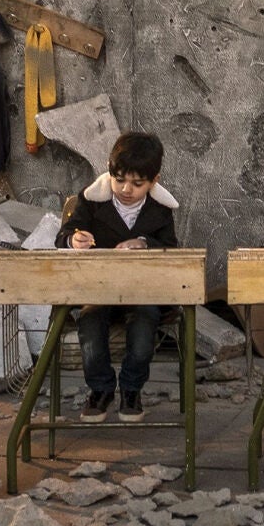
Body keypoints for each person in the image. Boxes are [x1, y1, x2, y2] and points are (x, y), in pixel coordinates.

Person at [56, 132, 179, 422]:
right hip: (98, 291)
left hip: (142, 293)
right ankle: (101, 389)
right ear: (110, 171)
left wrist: (144, 242)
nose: (126, 189)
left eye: (137, 184)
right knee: (89, 321)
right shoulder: (91, 200)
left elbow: (171, 248)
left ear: (154, 181)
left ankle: (132, 389)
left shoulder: (160, 209)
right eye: (119, 179)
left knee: (144, 327)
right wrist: (74, 239)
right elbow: (62, 236)